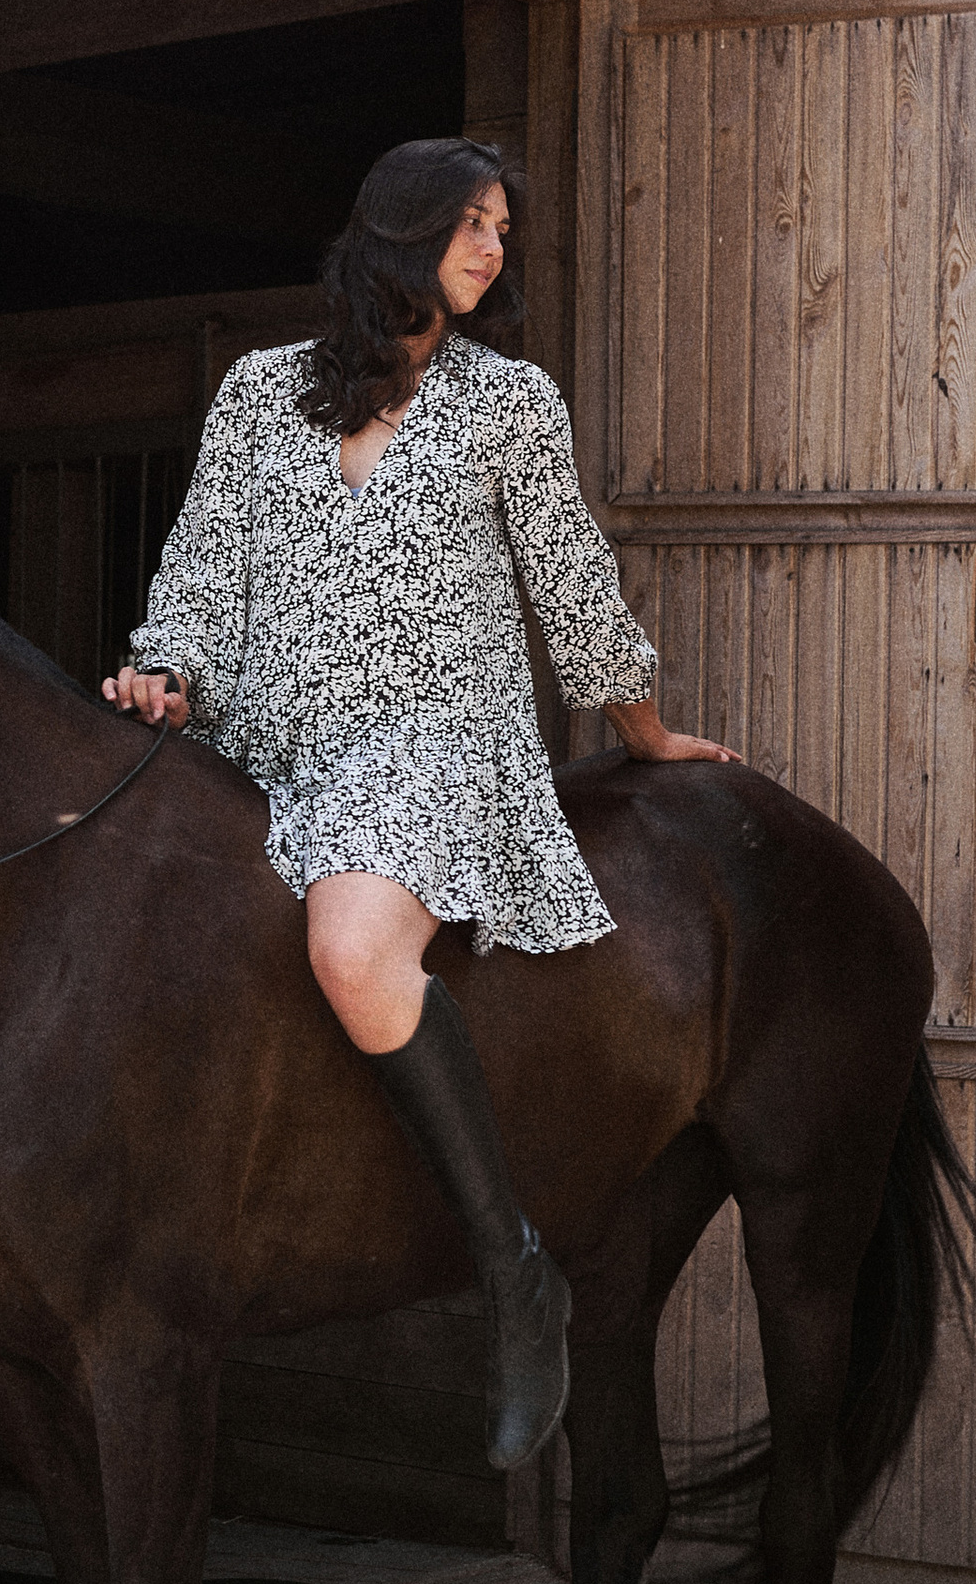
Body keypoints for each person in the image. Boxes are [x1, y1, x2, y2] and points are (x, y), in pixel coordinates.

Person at [106, 134, 738, 1472]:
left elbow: (572, 585)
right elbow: (201, 572)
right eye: (472, 224)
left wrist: (645, 733)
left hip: (438, 745)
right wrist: (166, 673)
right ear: (400, 232)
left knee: (350, 950)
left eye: (502, 228)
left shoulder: (511, 403)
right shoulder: (258, 394)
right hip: (265, 741)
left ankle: (513, 1271)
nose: (494, 250)